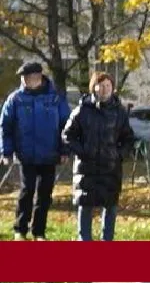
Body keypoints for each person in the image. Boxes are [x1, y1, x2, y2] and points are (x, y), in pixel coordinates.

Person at [0, 62, 71, 241]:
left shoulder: (55, 98)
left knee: (45, 194)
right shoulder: (15, 99)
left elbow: (67, 126)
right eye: (23, 78)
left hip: (49, 154)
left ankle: (39, 231)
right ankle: (20, 230)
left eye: (28, 77)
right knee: (26, 191)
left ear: (38, 77)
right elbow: (5, 127)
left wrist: (64, 150)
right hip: (26, 155)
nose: (24, 81)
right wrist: (6, 152)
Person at [62, 72, 136, 241]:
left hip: (111, 168)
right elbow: (67, 135)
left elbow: (128, 138)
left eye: (108, 86)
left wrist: (119, 155)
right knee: (85, 206)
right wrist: (83, 151)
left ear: (113, 88)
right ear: (93, 87)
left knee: (110, 207)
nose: (104, 90)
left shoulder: (119, 112)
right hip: (86, 168)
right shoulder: (82, 110)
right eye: (101, 86)